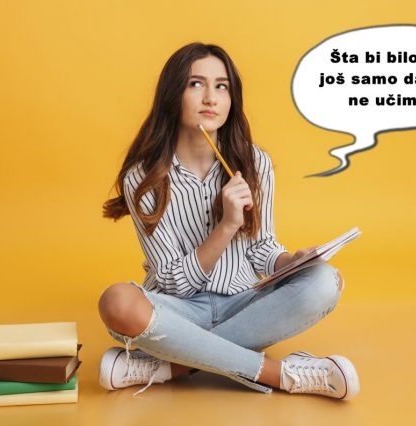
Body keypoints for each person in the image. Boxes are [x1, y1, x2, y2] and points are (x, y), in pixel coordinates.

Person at [98, 42, 359, 399]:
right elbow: (175, 284)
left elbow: (262, 249)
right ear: (173, 94)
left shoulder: (255, 163)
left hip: (244, 302)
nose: (211, 97)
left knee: (326, 281)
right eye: (196, 84)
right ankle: (279, 374)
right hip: (178, 311)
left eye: (222, 86)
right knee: (117, 302)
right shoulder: (143, 178)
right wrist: (225, 227)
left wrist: (290, 262)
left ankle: (173, 364)